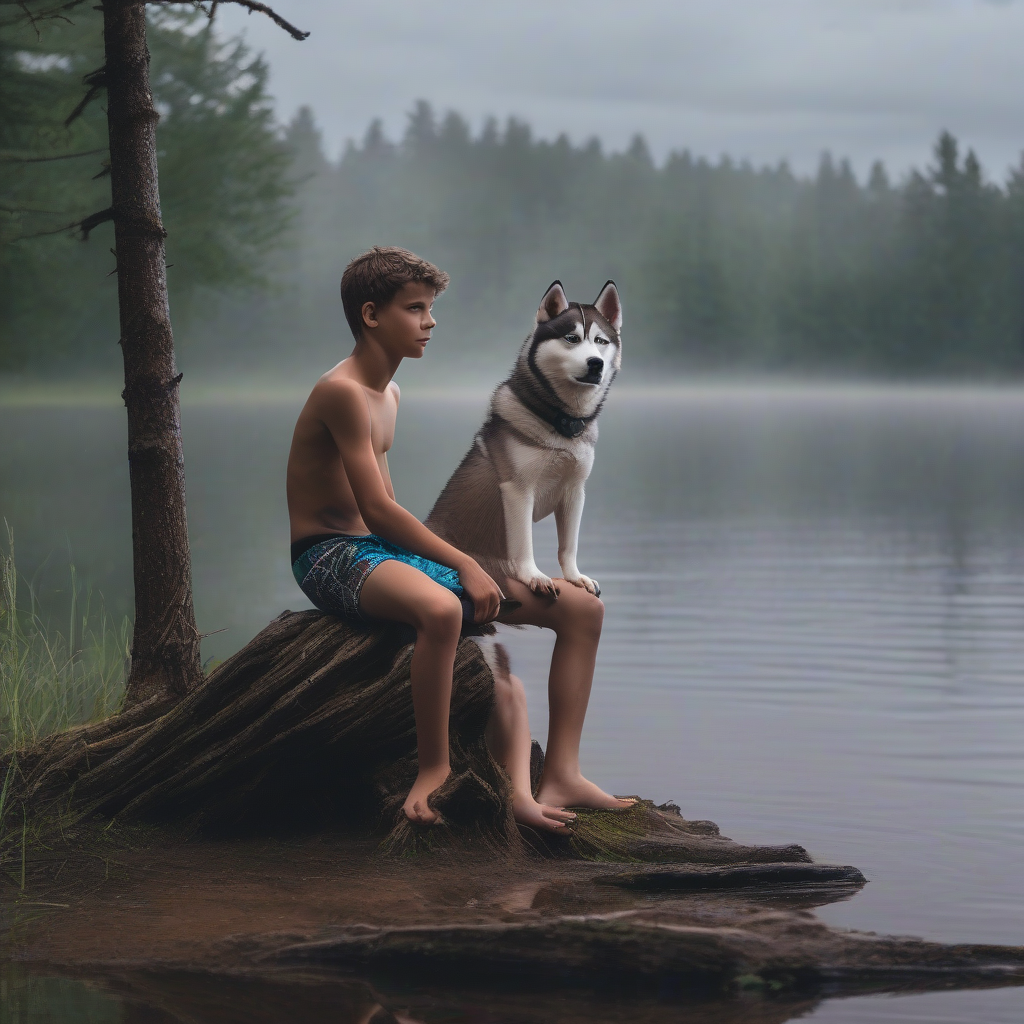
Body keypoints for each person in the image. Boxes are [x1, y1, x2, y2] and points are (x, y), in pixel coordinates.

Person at [287, 246, 631, 828]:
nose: (431, 322)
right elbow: (374, 510)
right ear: (372, 316)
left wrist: (441, 560)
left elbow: (388, 510)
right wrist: (466, 567)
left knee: (580, 612)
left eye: (431, 308)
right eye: (416, 309)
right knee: (444, 609)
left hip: (380, 550)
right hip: (328, 556)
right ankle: (434, 770)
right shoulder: (341, 392)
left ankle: (563, 775)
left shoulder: (389, 394)